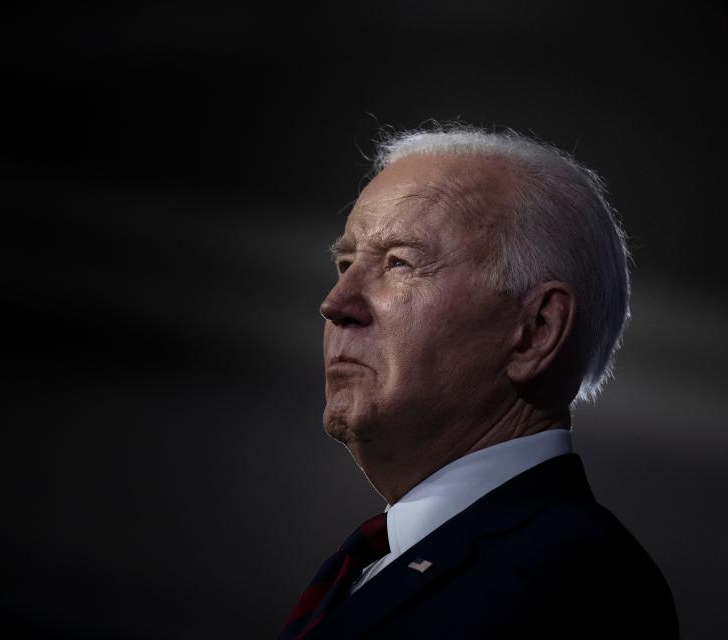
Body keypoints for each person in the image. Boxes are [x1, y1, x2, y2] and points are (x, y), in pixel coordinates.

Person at [278, 123, 680, 639]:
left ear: (535, 330)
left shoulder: (575, 586)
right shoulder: (376, 565)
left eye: (399, 263)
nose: (335, 305)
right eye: (345, 263)